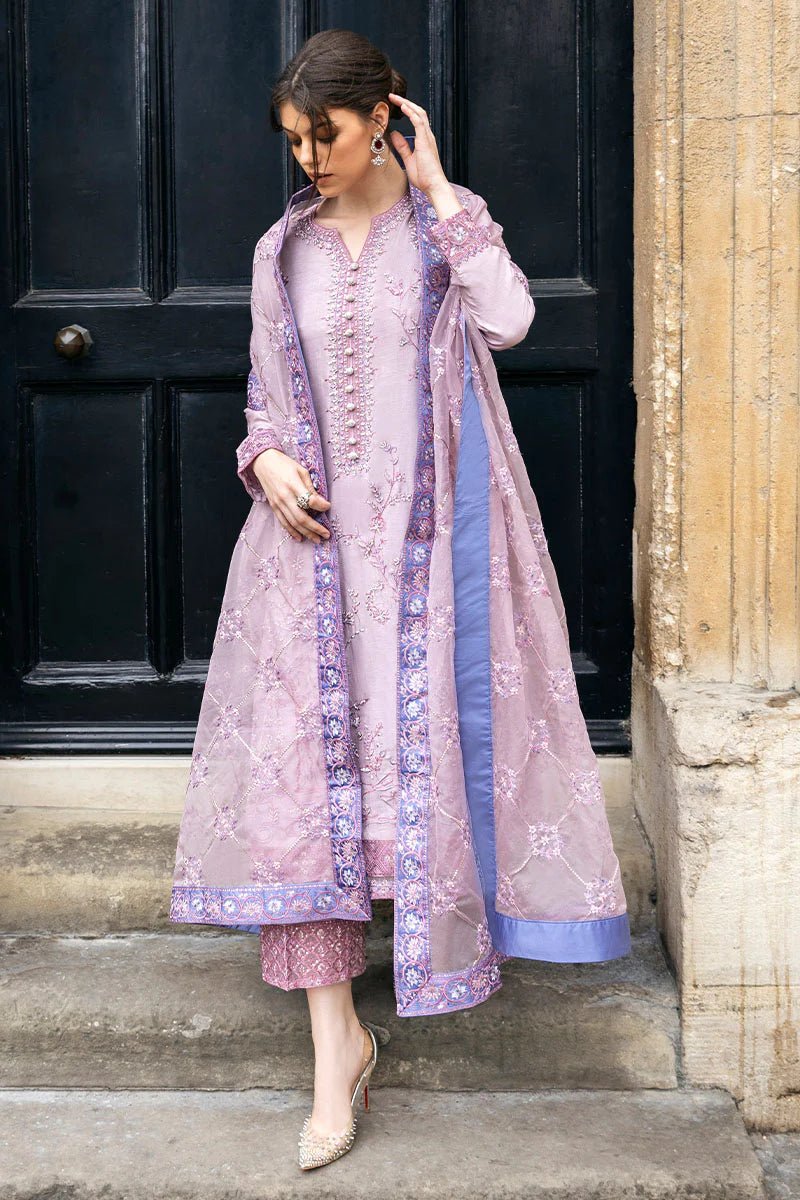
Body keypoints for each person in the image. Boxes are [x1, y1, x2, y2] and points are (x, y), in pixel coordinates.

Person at [169, 27, 631, 1171]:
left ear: (381, 116)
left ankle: (409, 984)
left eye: (322, 134)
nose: (308, 158)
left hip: (433, 563)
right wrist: (261, 460)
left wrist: (439, 189)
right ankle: (335, 1056)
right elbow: (266, 398)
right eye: (292, 140)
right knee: (299, 791)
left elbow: (511, 319)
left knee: (415, 762)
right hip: (308, 565)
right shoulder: (287, 251)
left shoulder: (441, 229)